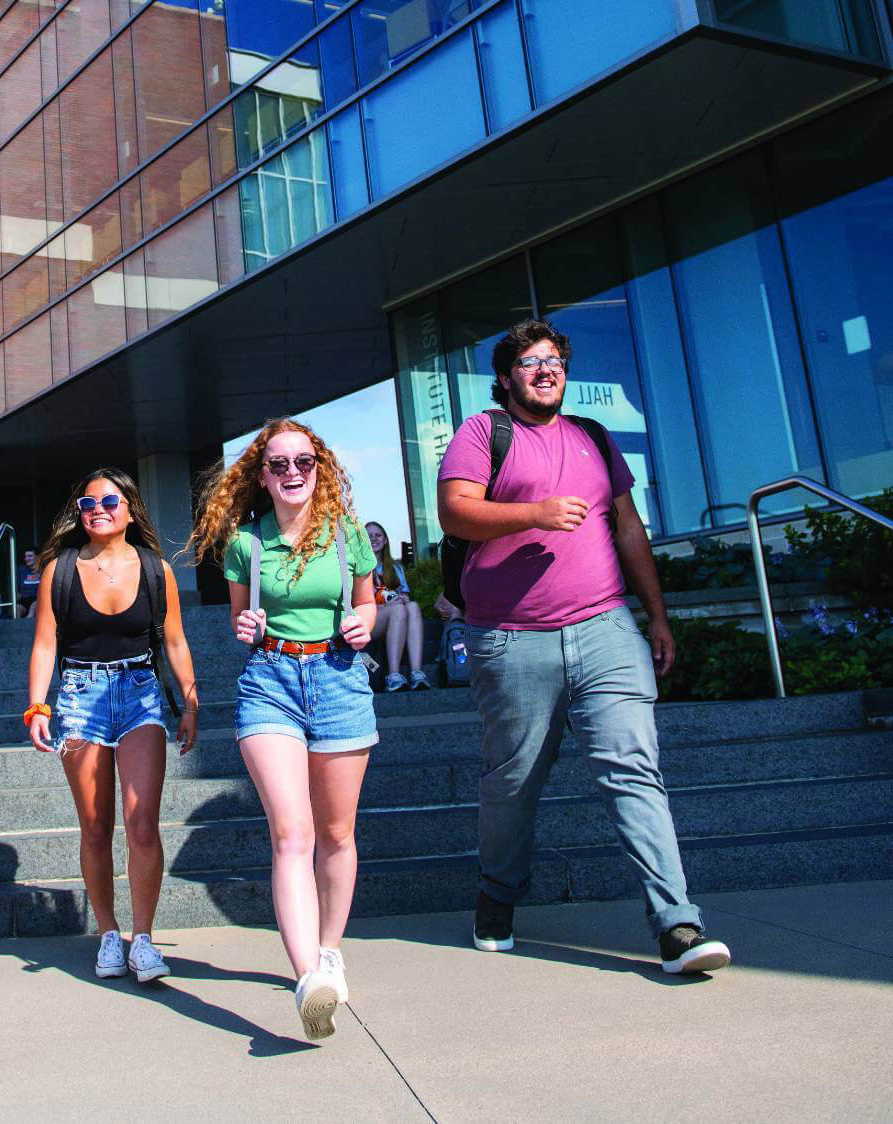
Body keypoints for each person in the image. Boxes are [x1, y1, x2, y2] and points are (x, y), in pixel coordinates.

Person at [437, 319, 730, 975]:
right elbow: (456, 511)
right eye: (532, 361)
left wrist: (656, 615)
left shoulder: (595, 439)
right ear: (507, 376)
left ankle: (677, 924)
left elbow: (627, 529)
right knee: (514, 783)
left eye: (556, 361)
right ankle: (498, 894)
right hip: (511, 639)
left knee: (632, 768)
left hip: (605, 629)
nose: (546, 370)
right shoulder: (485, 434)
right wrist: (533, 513)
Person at [189, 418, 378, 1042]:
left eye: (303, 461)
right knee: (291, 833)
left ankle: (329, 949)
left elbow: (369, 602)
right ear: (261, 475)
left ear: (318, 468)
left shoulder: (349, 535)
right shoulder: (247, 543)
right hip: (270, 684)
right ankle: (307, 980)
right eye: (278, 464)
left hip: (341, 680)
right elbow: (242, 618)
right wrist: (244, 628)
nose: (292, 472)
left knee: (336, 832)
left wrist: (363, 625)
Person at [25, 468, 198, 984]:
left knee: (142, 821)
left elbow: (174, 642)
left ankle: (142, 939)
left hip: (142, 693)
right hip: (80, 697)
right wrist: (38, 704)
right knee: (96, 827)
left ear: (129, 508)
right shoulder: (59, 568)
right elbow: (45, 643)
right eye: (87, 502)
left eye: (109, 500)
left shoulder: (154, 568)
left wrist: (190, 701)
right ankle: (107, 933)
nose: (97, 508)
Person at [364, 520, 430, 691]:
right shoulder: (358, 567)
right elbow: (356, 607)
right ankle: (393, 675)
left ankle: (416, 672)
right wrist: (389, 606)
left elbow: (405, 596)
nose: (374, 539)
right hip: (369, 622)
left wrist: (402, 599)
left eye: (378, 535)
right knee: (398, 609)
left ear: (385, 540)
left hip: (394, 617)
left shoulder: (394, 568)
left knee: (412, 606)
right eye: (369, 535)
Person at [15, 548, 41, 617]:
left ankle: (26, 625)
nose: (27, 559)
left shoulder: (43, 569)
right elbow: (17, 590)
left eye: (30, 556)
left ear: (37, 557)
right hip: (24, 600)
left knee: (33, 607)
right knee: (16, 609)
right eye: (25, 556)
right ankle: (17, 626)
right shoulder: (21, 570)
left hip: (38, 599)